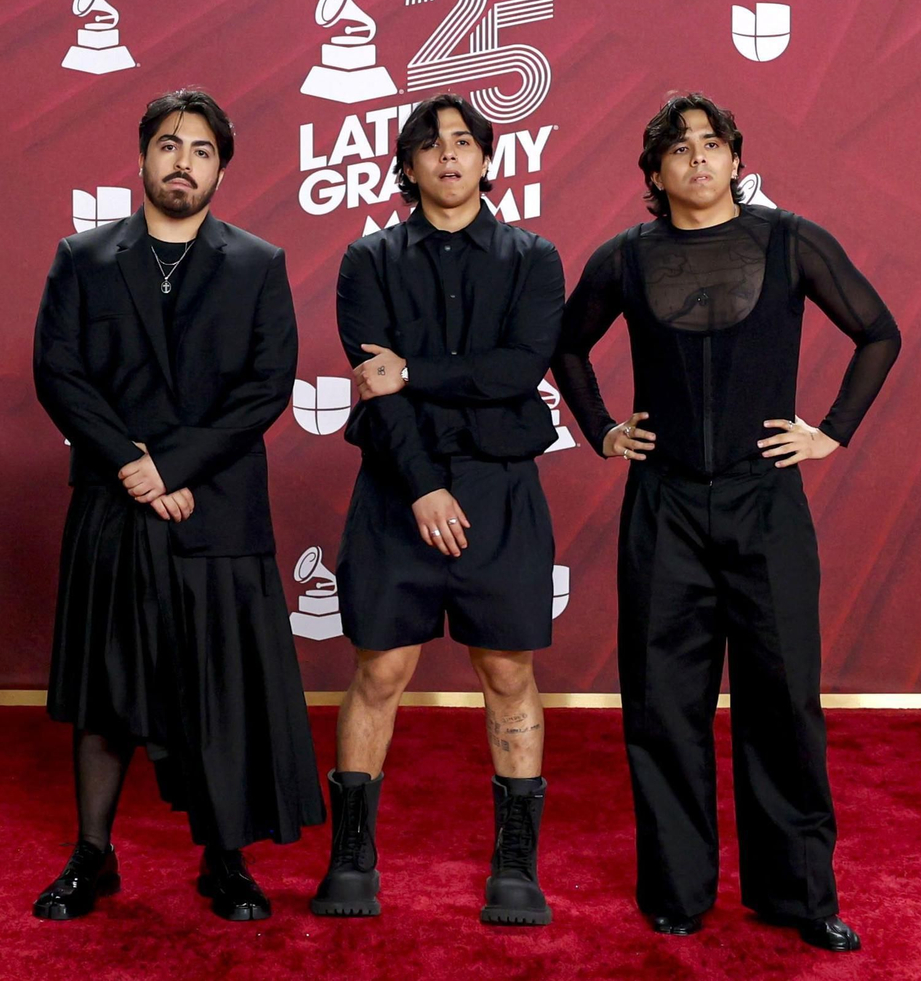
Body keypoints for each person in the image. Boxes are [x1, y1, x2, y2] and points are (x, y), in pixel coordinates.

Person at [551, 92, 901, 948]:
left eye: (713, 144)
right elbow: (565, 348)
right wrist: (600, 429)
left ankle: (799, 895)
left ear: (737, 160)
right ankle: (675, 890)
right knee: (665, 702)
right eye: (679, 149)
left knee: (782, 701)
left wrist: (832, 433)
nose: (698, 159)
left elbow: (878, 332)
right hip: (663, 506)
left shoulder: (791, 240)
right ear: (654, 173)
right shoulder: (624, 259)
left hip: (765, 502)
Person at [31, 88, 324, 923]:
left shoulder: (257, 263)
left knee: (219, 692)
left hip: (218, 508)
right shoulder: (82, 259)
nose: (182, 161)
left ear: (222, 168)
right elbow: (59, 374)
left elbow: (267, 386)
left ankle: (224, 861)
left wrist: (176, 465)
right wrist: (132, 464)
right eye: (168, 144)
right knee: (105, 692)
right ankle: (93, 855)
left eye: (200, 149)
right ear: (141, 158)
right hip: (113, 503)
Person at [311, 93, 565, 926]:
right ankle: (352, 861)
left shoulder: (533, 258)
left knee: (508, 672)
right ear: (407, 165)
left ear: (488, 159)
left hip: (500, 489)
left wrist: (415, 373)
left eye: (464, 142)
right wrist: (422, 485)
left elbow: (517, 371)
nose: (449, 156)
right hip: (396, 486)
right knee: (380, 671)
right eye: (430, 144)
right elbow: (376, 400)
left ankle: (516, 868)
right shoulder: (368, 261)